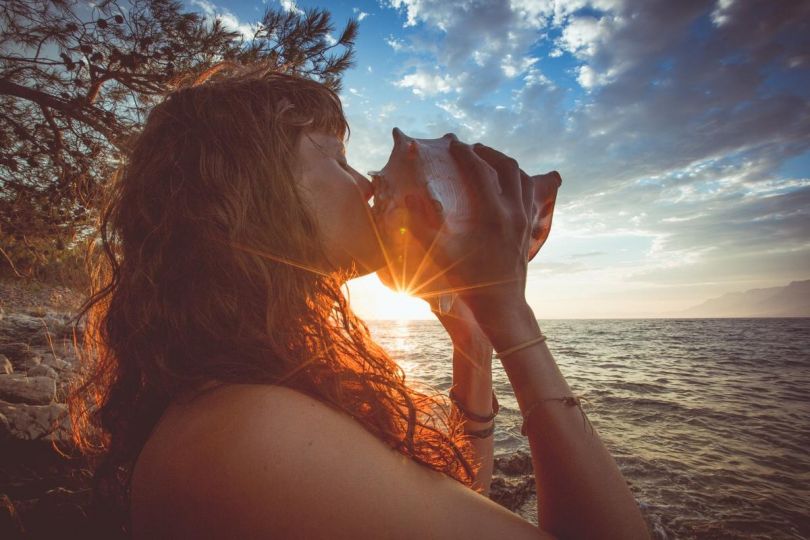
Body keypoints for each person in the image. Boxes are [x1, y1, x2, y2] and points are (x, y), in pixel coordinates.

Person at [69, 63, 651, 539]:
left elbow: (451, 502)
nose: (370, 183)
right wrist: (512, 316)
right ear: (257, 191)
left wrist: (474, 344)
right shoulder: (252, 431)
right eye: (337, 159)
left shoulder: (249, 391)